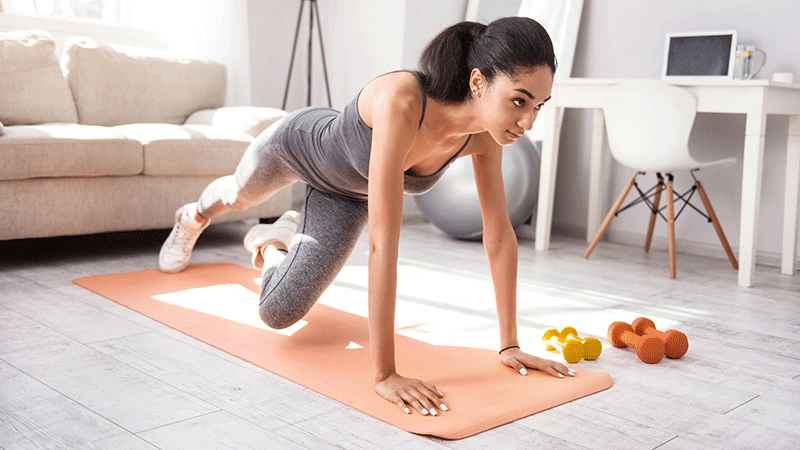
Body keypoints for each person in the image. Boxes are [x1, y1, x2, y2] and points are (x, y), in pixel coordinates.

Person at [158, 16, 576, 417]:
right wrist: (385, 374)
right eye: (519, 101)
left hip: (345, 196)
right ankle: (192, 216)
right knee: (236, 195)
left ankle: (272, 243)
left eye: (539, 105)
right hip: (300, 145)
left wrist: (509, 344)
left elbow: (499, 236)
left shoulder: (485, 140)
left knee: (276, 313)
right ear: (478, 81)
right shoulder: (403, 100)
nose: (528, 121)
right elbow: (382, 248)